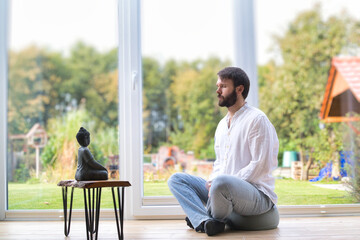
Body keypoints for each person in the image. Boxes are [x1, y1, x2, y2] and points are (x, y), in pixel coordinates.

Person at [167, 67, 279, 236]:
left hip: (256, 194)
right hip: (222, 190)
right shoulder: (221, 125)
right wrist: (212, 182)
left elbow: (261, 165)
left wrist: (222, 182)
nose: (217, 90)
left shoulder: (257, 119)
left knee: (221, 183)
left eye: (223, 86)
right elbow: (220, 163)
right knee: (176, 179)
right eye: (218, 86)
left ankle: (205, 217)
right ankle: (205, 221)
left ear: (239, 89)